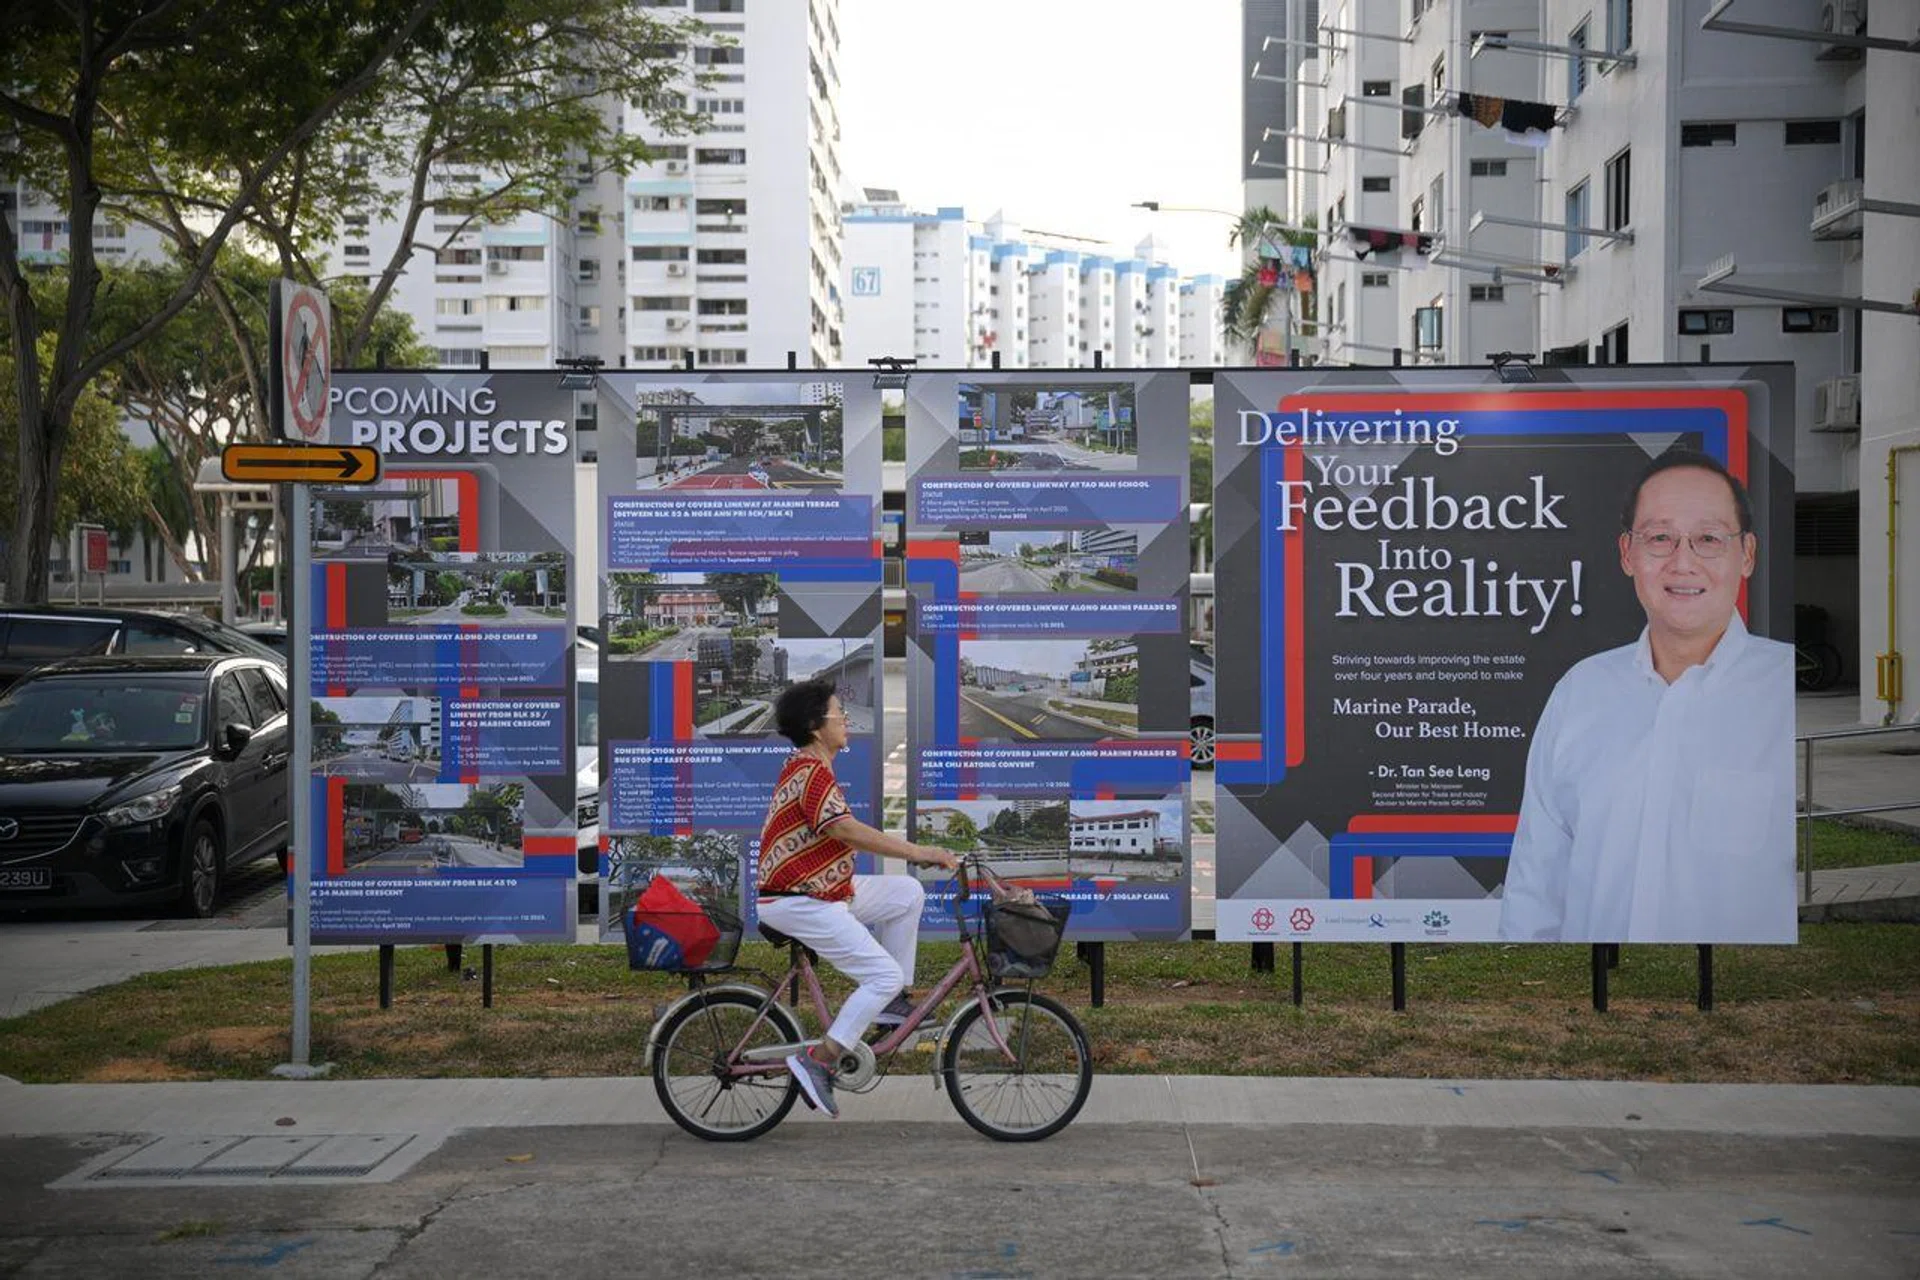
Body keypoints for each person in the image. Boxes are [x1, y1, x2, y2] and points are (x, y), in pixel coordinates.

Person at [1498, 449, 1794, 944]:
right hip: (1594, 1003)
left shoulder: (1783, 692)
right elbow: (1537, 877)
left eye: (1708, 539)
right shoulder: (1581, 691)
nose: (1683, 562)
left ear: (1746, 555)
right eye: (1659, 538)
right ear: (1627, 554)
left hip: (1740, 1007)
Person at [758, 678, 961, 1118]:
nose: (846, 721)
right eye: (839, 714)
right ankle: (820, 1061)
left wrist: (914, 863)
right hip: (797, 898)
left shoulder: (812, 766)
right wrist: (920, 852)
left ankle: (890, 1004)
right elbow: (845, 829)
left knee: (905, 892)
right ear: (816, 726)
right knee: (881, 974)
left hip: (824, 891)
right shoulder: (810, 771)